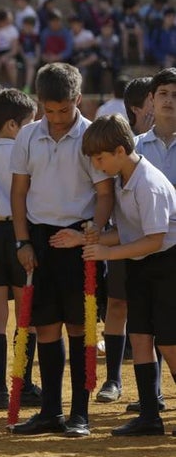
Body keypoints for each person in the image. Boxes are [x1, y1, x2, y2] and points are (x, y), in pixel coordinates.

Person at [51, 114, 176, 435]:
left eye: (100, 158)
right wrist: (84, 238)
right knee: (141, 336)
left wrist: (106, 253)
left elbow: (155, 239)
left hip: (167, 266)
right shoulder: (123, 179)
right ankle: (150, 416)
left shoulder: (149, 183)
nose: (97, 164)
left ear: (120, 151)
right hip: (141, 263)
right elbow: (125, 232)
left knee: (171, 342)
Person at [10, 63, 115, 437]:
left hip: (79, 241)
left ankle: (80, 414)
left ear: (78, 100)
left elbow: (104, 196)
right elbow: (19, 192)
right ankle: (50, 411)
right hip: (39, 239)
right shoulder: (27, 136)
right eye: (49, 111)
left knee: (80, 326)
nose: (55, 119)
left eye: (63, 110)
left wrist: (91, 234)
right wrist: (22, 241)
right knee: (46, 326)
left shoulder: (91, 136)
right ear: (39, 103)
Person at [0, 89, 40, 409]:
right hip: (20, 232)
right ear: (15, 126)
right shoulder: (26, 152)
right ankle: (24, 383)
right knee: (26, 315)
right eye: (31, 122)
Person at [126, 67, 176, 413]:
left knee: (172, 338)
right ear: (151, 100)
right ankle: (149, 409)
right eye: (163, 95)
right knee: (141, 332)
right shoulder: (135, 147)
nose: (170, 101)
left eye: (175, 95)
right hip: (141, 252)